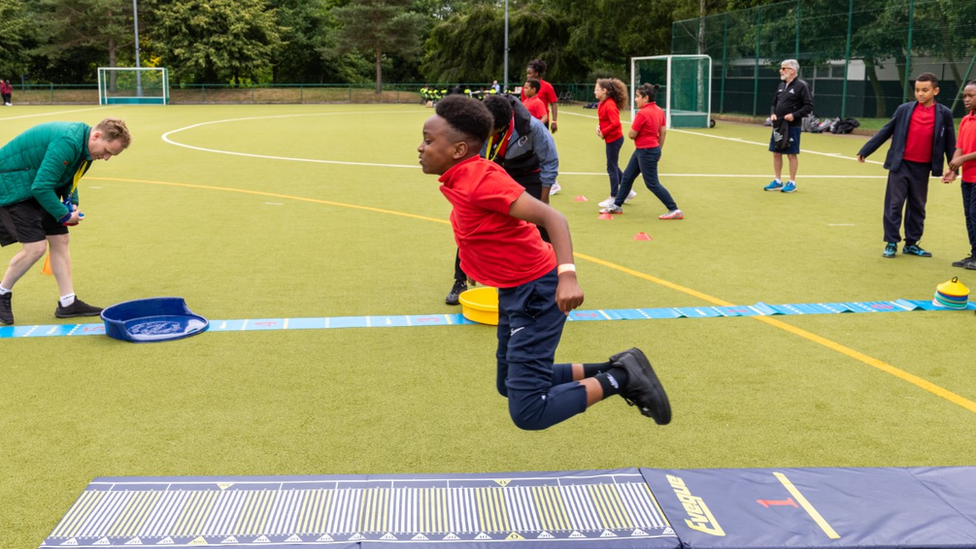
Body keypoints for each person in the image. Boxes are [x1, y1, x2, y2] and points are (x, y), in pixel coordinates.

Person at [418, 95, 671, 430]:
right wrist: (472, 264)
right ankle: (623, 367)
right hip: (515, 290)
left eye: (428, 140)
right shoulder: (461, 177)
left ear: (459, 150)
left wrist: (568, 276)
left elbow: (554, 219)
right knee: (508, 381)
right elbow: (478, 228)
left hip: (537, 291)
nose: (421, 147)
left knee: (528, 412)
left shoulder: (480, 180)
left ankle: (621, 379)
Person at [0, 118, 131, 325]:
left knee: (60, 240)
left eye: (111, 156)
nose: (106, 158)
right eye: (107, 151)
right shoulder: (68, 141)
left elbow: (69, 177)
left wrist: (72, 203)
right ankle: (2, 292)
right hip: (12, 185)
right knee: (35, 248)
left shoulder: (86, 147)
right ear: (96, 136)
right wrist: (63, 215)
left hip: (36, 183)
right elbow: (41, 187)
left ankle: (68, 303)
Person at [445, 93, 559, 305]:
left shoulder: (531, 127)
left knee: (542, 225)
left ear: (503, 125)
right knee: (471, 225)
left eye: (489, 129)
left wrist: (543, 202)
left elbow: (550, 161)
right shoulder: (477, 126)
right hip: (494, 173)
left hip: (526, 174)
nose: (484, 133)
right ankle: (459, 280)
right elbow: (470, 161)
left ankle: (556, 279)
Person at [857, 72, 955, 258]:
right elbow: (887, 130)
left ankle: (912, 243)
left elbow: (950, 142)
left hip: (923, 168)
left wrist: (952, 167)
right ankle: (891, 242)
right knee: (894, 204)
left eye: (925, 90)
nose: (920, 94)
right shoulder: (904, 109)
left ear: (935, 91)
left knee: (918, 206)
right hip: (900, 165)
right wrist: (866, 149)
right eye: (917, 90)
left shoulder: (945, 114)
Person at [599, 84, 682, 220]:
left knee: (652, 183)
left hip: (646, 151)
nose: (635, 100)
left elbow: (632, 134)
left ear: (646, 97)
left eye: (638, 97)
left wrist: (651, 148)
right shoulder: (659, 110)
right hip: (647, 150)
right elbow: (663, 132)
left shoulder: (642, 113)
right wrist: (659, 150)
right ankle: (617, 205)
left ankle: (674, 209)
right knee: (627, 177)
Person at [763, 59, 813, 193]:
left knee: (791, 154)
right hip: (778, 125)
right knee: (776, 152)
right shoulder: (780, 85)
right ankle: (778, 181)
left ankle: (792, 182)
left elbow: (808, 106)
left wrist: (794, 115)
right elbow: (774, 103)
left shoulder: (802, 86)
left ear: (792, 71)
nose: (781, 70)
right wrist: (773, 113)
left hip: (793, 126)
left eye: (783, 68)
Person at [943, 80, 976, 270]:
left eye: (971, 95)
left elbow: (963, 154)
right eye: (965, 95)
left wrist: (962, 159)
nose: (966, 99)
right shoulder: (965, 120)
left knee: (974, 214)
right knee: (969, 216)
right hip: (968, 178)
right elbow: (960, 146)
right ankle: (974, 254)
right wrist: (952, 168)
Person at [594, 78, 637, 209]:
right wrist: (599, 127)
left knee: (611, 167)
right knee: (613, 166)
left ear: (604, 91)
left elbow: (615, 123)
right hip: (610, 139)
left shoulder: (609, 104)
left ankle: (614, 197)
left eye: (596, 89)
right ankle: (628, 191)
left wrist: (604, 132)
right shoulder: (602, 103)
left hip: (615, 139)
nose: (594, 91)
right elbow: (604, 120)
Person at [523, 59, 561, 195]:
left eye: (530, 74)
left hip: (541, 122)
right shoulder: (527, 88)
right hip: (529, 124)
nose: (528, 76)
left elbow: (554, 103)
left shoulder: (547, 87)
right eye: (527, 73)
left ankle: (553, 182)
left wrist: (554, 120)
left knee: (543, 151)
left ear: (537, 73)